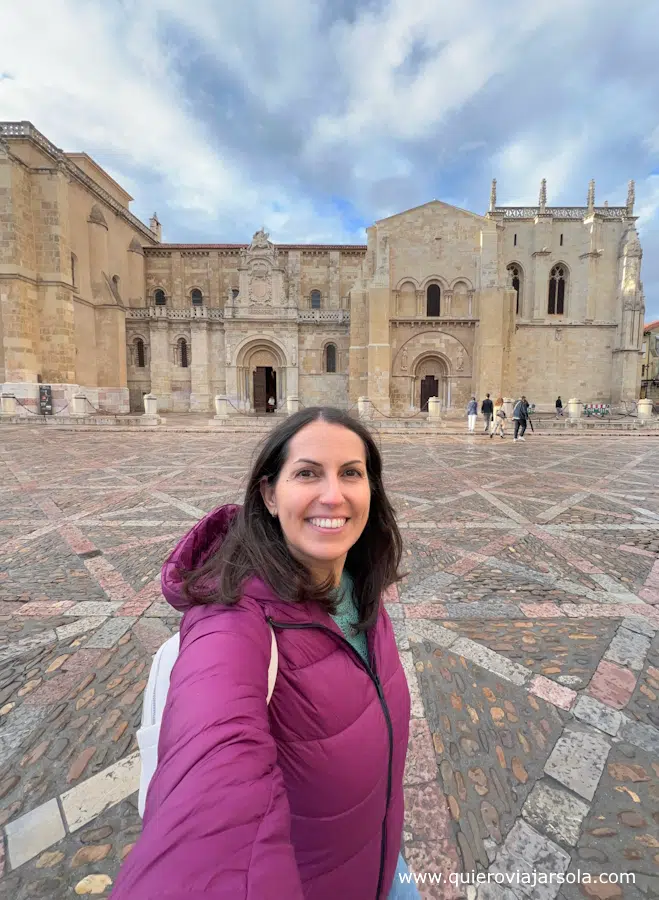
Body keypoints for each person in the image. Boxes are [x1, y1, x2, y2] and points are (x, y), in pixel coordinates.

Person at [111, 407, 418, 900]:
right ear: (270, 494)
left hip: (385, 867)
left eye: (351, 473)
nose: (333, 495)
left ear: (372, 490)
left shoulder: (359, 590)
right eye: (307, 473)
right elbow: (210, 797)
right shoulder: (233, 621)